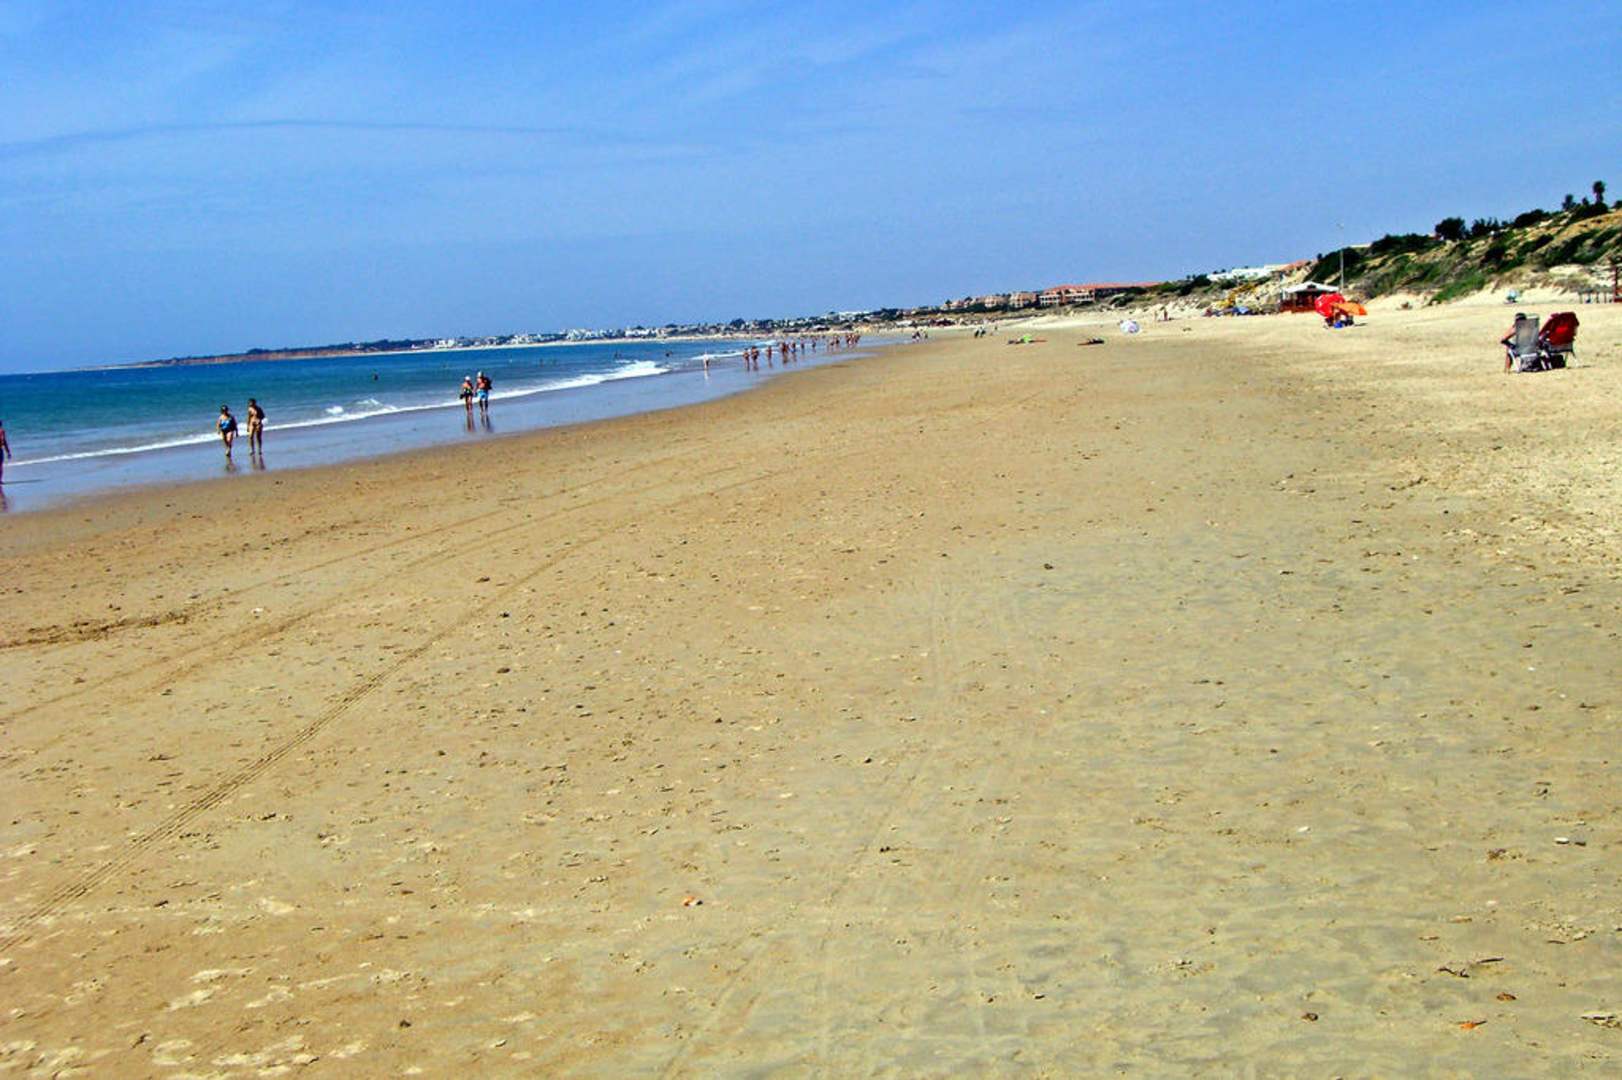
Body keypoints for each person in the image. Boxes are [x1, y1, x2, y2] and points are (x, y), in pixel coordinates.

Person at [0, 418, 11, 485]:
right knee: (0, 466)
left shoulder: (2, 431)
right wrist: (8, 452)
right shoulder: (2, 431)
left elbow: (4, 441)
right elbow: (4, 441)